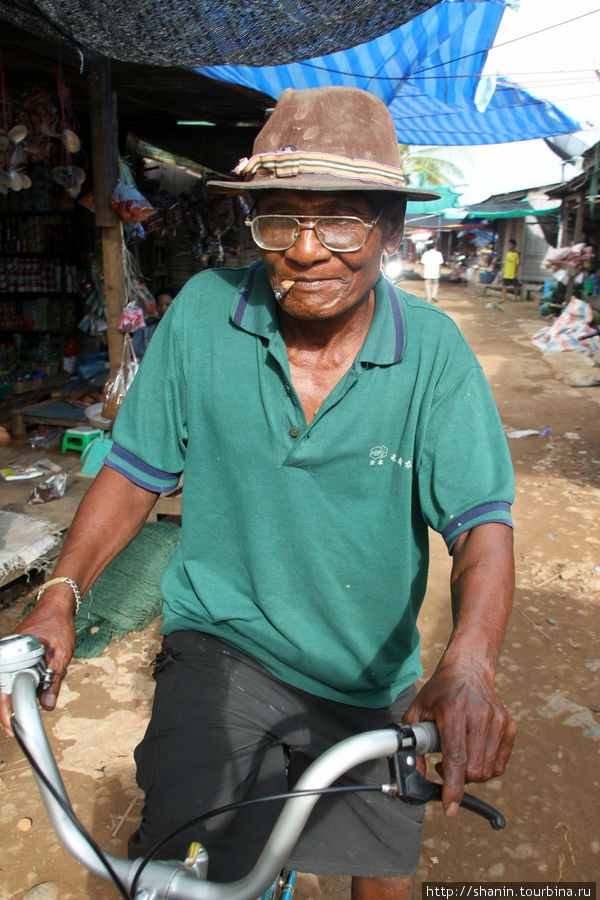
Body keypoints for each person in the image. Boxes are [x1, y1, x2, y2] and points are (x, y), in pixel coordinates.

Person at [0, 87, 517, 899]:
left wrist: (472, 664)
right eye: (281, 219)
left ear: (390, 231)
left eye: (341, 221)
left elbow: (481, 525)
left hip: (368, 677)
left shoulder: (435, 356)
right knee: (184, 871)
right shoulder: (207, 314)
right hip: (224, 648)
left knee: (381, 877)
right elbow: (136, 470)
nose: (307, 250)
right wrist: (63, 591)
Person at [131, 285, 177, 358]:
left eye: (167, 304)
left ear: (176, 305)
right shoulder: (147, 329)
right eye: (159, 305)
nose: (163, 308)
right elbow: (135, 349)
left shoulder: (181, 330)